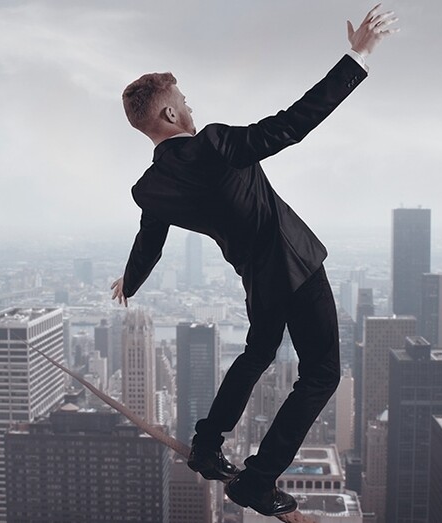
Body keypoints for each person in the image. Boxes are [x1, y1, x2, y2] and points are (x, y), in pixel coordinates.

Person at [112, 5, 396, 517]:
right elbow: (291, 125)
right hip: (296, 265)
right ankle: (256, 483)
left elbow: (149, 241)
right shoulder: (215, 144)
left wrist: (130, 282)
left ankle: (206, 445)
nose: (190, 108)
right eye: (183, 101)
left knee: (258, 353)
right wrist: (357, 57)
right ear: (170, 115)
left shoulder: (150, 188)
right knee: (321, 375)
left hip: (257, 280)